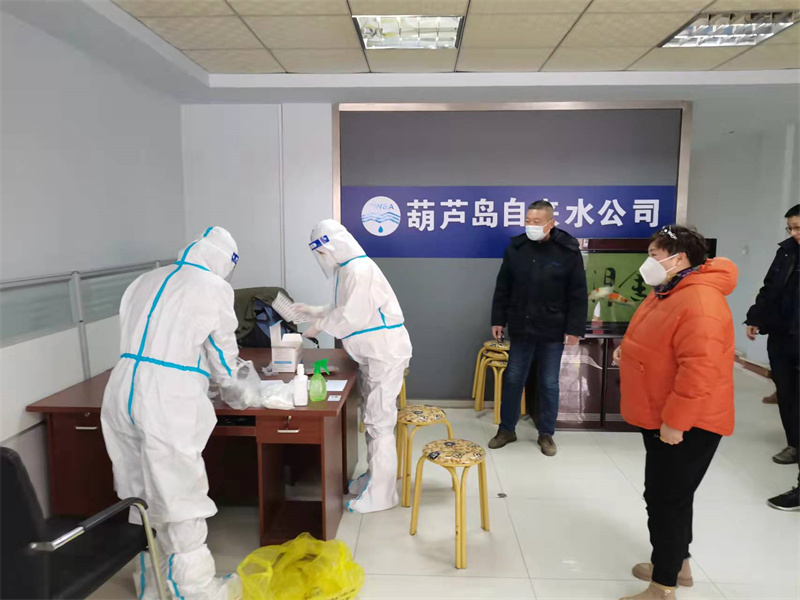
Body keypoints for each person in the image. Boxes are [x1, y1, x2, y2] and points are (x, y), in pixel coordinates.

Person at [101, 227, 246, 600]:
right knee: (180, 493)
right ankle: (194, 590)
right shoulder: (213, 287)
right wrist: (240, 394)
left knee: (142, 492)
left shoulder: (145, 280)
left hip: (121, 387)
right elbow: (223, 359)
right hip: (165, 396)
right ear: (224, 262)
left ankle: (154, 583)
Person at [615, 226, 737, 600]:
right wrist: (628, 351)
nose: (648, 261)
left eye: (654, 254)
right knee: (671, 495)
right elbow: (659, 339)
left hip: (687, 421)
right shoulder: (672, 289)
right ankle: (677, 564)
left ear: (678, 258)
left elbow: (699, 370)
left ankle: (663, 585)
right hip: (661, 411)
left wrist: (676, 422)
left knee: (666, 499)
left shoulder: (700, 301)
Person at [294, 219, 412, 514]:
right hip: (374, 355)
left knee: (379, 422)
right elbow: (343, 308)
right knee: (373, 419)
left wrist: (319, 326)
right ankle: (375, 478)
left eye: (322, 252)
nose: (322, 258)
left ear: (334, 246)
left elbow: (352, 317)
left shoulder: (360, 270)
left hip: (385, 353)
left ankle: (383, 495)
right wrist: (315, 311)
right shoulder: (348, 269)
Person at [488, 200, 588, 455]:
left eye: (537, 222)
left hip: (553, 327)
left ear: (550, 223)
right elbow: (503, 286)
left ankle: (546, 434)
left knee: (548, 383)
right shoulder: (516, 248)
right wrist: (498, 319)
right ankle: (506, 429)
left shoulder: (567, 250)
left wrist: (574, 329)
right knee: (513, 379)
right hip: (521, 325)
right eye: (528, 220)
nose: (531, 225)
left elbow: (578, 292)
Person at [746, 204, 800, 510]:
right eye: (790, 228)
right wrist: (755, 316)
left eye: (798, 228)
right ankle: (794, 445)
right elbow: (769, 288)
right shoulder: (786, 252)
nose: (794, 233)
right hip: (782, 335)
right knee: (787, 394)